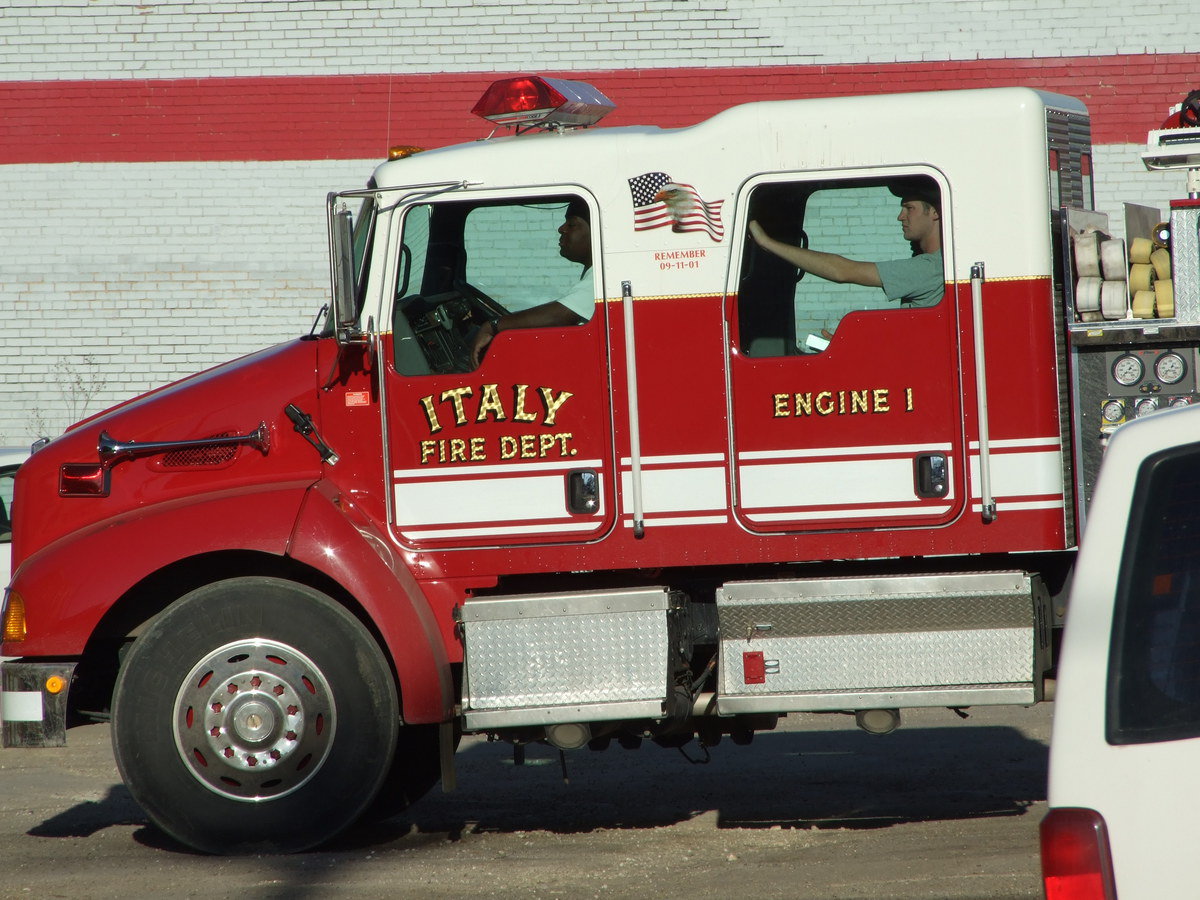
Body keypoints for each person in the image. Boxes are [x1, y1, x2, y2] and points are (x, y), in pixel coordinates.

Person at [748, 186, 944, 308]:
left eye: (909, 208)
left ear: (934, 212)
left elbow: (843, 271)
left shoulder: (930, 268)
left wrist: (767, 243)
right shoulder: (936, 265)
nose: (900, 216)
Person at [470, 198, 594, 366]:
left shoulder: (602, 277)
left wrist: (493, 326)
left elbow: (559, 315)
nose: (561, 229)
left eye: (571, 224)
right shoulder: (594, 274)